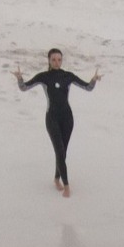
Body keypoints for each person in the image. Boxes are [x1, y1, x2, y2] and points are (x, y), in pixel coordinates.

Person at [13, 49, 98, 194]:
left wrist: (94, 80)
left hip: (67, 118)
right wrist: (19, 78)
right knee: (59, 150)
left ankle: (56, 178)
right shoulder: (44, 77)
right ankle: (66, 186)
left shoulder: (68, 76)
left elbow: (88, 88)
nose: (57, 62)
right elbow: (24, 88)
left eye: (59, 59)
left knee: (63, 152)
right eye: (53, 59)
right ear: (48, 60)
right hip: (52, 118)